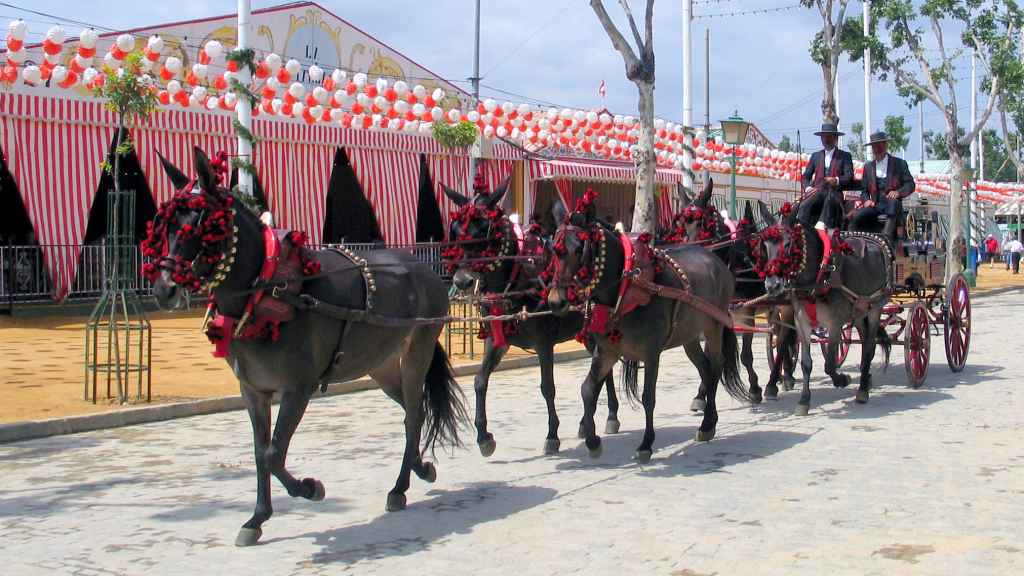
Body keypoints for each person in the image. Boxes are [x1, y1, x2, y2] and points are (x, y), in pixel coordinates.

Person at [849, 131, 916, 242]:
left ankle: (885, 239)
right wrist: (866, 200)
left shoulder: (899, 164)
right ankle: (852, 245)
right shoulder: (868, 167)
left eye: (880, 145)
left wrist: (898, 192)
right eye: (875, 146)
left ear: (886, 145)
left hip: (893, 205)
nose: (877, 148)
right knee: (858, 216)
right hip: (875, 205)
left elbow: (910, 184)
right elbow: (864, 191)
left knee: (893, 203)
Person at [799, 123, 854, 234]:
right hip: (816, 194)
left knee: (828, 198)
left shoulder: (845, 156)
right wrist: (808, 189)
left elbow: (849, 176)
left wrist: (837, 180)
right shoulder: (816, 156)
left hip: (834, 195)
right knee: (803, 204)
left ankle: (822, 227)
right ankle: (800, 226)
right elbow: (805, 177)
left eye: (829, 136)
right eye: (824, 137)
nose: (826, 139)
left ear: (835, 138)